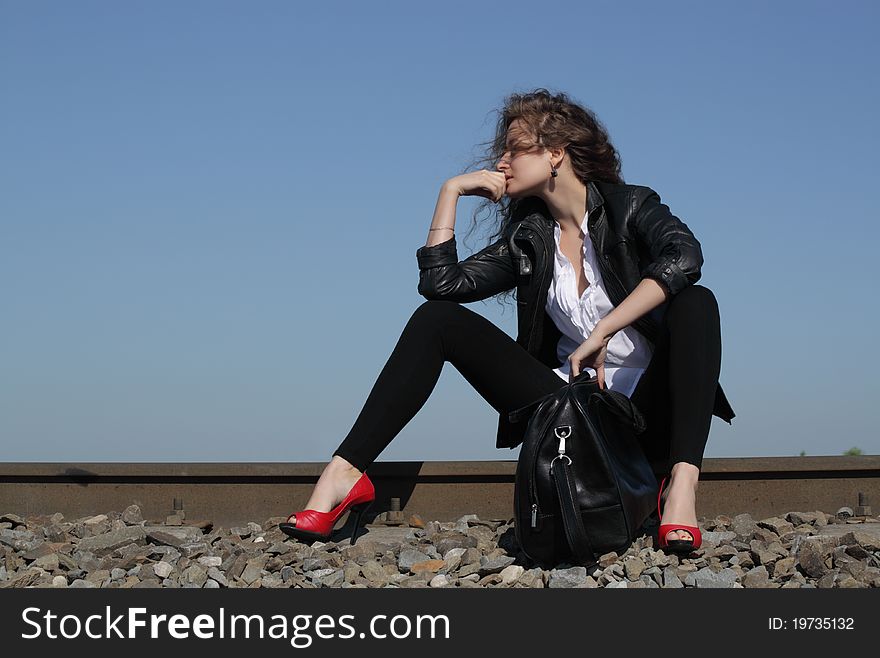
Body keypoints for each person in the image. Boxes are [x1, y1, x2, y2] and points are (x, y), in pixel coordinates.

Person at [279, 88, 736, 554]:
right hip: (569, 408)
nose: (502, 161)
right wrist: (450, 191)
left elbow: (685, 256)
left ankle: (681, 486)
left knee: (696, 302)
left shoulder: (631, 207)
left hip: (645, 410)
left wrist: (605, 328)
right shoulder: (529, 239)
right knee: (436, 320)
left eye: (516, 149)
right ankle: (345, 474)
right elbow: (442, 287)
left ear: (556, 154)